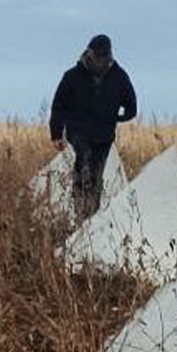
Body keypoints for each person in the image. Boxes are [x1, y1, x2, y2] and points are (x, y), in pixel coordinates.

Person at [49, 34, 137, 218]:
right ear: (89, 54)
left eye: (104, 56)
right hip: (78, 131)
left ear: (109, 55)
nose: (100, 60)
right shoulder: (72, 76)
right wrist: (56, 133)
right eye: (97, 56)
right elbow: (59, 106)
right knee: (84, 162)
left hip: (104, 135)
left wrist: (117, 117)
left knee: (96, 174)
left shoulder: (119, 76)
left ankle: (92, 215)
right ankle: (79, 208)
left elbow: (131, 106)